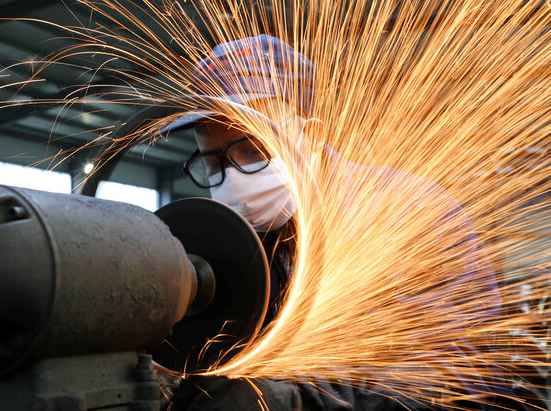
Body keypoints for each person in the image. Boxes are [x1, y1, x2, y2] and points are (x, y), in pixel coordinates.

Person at [163, 35, 526, 411]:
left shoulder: (408, 213)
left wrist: (302, 402)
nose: (233, 178)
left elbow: (455, 374)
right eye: (212, 162)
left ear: (312, 137)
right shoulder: (226, 249)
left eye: (254, 149)